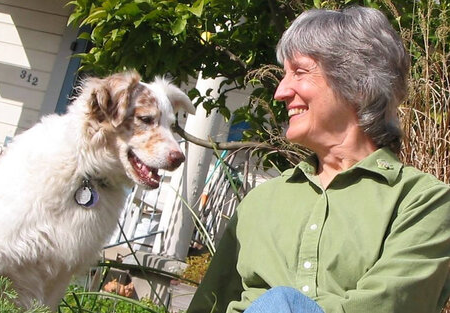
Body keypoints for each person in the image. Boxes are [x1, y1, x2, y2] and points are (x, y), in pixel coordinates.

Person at [186, 5, 450, 313]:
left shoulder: (423, 202)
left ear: (357, 82)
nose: (280, 92)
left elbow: (388, 307)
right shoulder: (258, 204)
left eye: (299, 71)